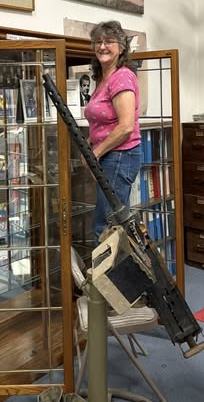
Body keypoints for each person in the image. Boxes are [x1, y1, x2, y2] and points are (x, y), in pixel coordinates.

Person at [84, 20, 141, 242]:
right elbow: (103, 123)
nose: (102, 46)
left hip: (119, 156)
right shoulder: (103, 79)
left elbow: (126, 127)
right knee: (108, 221)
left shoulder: (122, 76)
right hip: (109, 155)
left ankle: (115, 267)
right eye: (98, 42)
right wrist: (90, 145)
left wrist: (96, 153)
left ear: (122, 47)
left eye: (109, 41)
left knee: (107, 226)